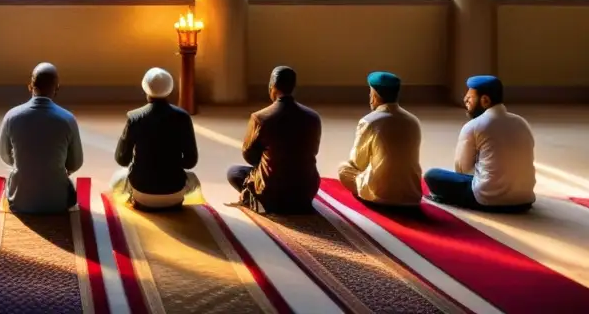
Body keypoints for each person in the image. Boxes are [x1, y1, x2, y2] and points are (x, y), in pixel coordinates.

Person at [424, 75, 536, 213]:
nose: (465, 100)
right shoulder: (522, 123)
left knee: (432, 175)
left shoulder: (474, 126)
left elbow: (461, 170)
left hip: (487, 200)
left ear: (485, 100)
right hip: (525, 200)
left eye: (470, 98)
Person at [227, 66, 321, 214]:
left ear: (271, 87)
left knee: (234, 172)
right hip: (305, 193)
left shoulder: (261, 117)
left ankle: (258, 199)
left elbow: (249, 155)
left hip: (273, 196)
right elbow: (313, 151)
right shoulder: (313, 117)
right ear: (293, 87)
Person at [111, 68, 201, 210]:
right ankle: (173, 201)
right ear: (170, 88)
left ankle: (137, 199)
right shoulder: (183, 117)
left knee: (117, 179)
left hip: (142, 193)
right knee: (193, 179)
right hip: (174, 192)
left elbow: (122, 159)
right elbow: (190, 162)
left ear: (145, 87)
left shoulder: (134, 117)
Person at [0, 63, 83, 213]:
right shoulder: (68, 119)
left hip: (20, 201)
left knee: (14, 174)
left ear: (30, 86)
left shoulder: (11, 116)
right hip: (58, 203)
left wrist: (25, 164)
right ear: (57, 88)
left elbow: (4, 156)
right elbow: (75, 163)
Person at [337, 72, 423, 208]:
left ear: (375, 96)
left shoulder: (369, 122)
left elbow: (358, 162)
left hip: (380, 196)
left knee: (343, 169)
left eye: (370, 92)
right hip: (412, 196)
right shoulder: (413, 121)